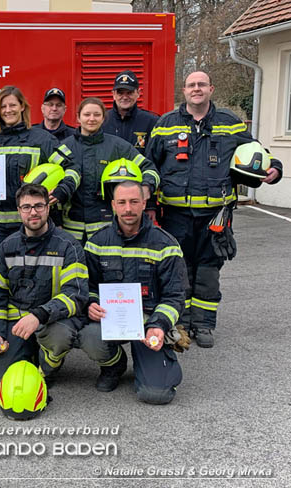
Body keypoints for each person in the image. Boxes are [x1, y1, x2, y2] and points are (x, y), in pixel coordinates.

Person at [146, 71, 283, 347]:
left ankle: (204, 325)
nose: (196, 89)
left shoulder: (230, 124)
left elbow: (256, 153)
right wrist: (149, 206)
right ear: (183, 91)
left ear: (211, 89)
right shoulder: (165, 125)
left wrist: (275, 169)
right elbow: (150, 166)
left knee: (208, 270)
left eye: (201, 85)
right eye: (191, 85)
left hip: (215, 216)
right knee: (179, 269)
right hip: (175, 215)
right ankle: (181, 321)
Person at [0, 184, 105, 386]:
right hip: (18, 323)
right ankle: (27, 352)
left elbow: (76, 295)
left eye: (39, 206)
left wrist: (39, 315)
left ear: (48, 208)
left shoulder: (68, 245)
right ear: (19, 210)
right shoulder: (7, 247)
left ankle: (48, 368)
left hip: (53, 320)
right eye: (27, 207)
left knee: (60, 336)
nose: (33, 212)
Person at [85, 180, 186, 404]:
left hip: (149, 325)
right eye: (122, 202)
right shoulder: (97, 242)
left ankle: (160, 361)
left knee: (156, 394)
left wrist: (159, 326)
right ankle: (114, 366)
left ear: (143, 203)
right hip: (110, 321)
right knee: (88, 334)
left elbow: (175, 296)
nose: (128, 209)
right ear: (113, 205)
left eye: (133, 202)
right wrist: (91, 303)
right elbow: (88, 286)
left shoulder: (165, 244)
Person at [0, 85, 78, 274]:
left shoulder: (43, 139)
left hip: (31, 222)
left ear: (22, 107)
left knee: (30, 273)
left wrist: (62, 191)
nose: (8, 110)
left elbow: (72, 167)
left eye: (12, 105)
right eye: (3, 106)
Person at [60, 97, 159, 242]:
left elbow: (149, 168)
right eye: (87, 115)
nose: (91, 119)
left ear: (103, 119)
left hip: (106, 228)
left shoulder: (118, 146)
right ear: (78, 118)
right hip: (71, 229)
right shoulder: (64, 147)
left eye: (97, 115)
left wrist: (146, 186)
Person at [102, 70, 159, 155]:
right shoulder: (102, 121)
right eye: (120, 93)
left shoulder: (152, 122)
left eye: (129, 93)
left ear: (138, 93)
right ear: (113, 94)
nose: (125, 97)